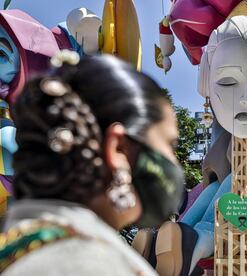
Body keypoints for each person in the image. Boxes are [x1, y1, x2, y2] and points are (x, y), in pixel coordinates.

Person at [0, 51, 185, 275]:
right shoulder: (93, 264)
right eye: (170, 145)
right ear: (119, 150)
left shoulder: (18, 247)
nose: (174, 163)